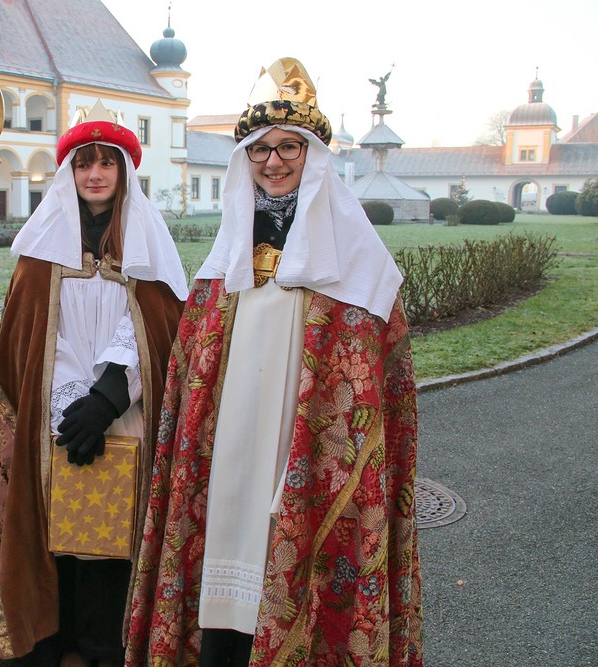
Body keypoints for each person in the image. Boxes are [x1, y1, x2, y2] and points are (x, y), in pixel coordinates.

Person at [127, 58, 423, 666]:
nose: (274, 161)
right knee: (229, 546)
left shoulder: (358, 260)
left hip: (306, 443)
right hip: (231, 443)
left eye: (290, 146)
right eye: (261, 149)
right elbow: (193, 365)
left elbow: (375, 376)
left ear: (314, 156)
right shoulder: (226, 256)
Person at [0, 102, 188, 667]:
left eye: (106, 163)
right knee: (57, 524)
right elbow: (34, 340)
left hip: (127, 410)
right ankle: (58, 640)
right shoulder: (39, 254)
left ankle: (110, 644)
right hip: (57, 417)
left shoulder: (147, 246)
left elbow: (157, 327)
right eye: (83, 164)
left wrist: (107, 397)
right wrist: (72, 404)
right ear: (68, 173)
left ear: (123, 171)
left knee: (118, 529)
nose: (95, 174)